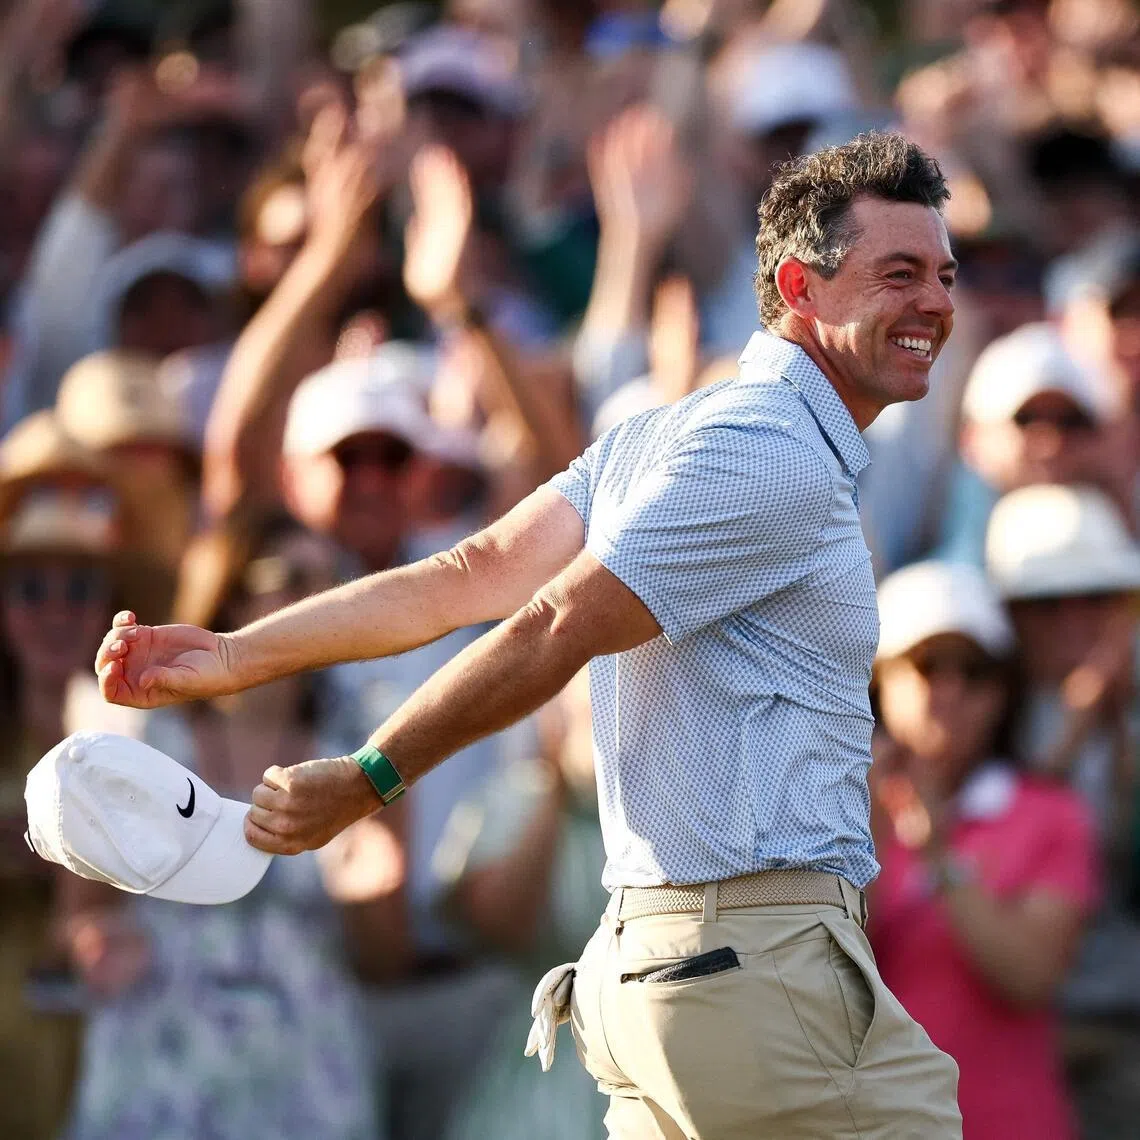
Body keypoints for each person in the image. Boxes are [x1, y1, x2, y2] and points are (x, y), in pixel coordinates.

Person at [95, 131, 963, 1137]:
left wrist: (242, 652)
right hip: (756, 975)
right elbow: (551, 622)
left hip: (668, 978)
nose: (934, 303)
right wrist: (371, 776)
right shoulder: (765, 451)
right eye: (899, 274)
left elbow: (460, 579)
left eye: (943, 274)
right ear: (801, 288)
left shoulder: (663, 435)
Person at [868, 560, 1098, 1139]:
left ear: (1004, 691)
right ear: (881, 681)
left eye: (974, 671)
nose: (949, 691)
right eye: (925, 666)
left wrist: (938, 853)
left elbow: (1027, 975)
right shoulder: (838, 815)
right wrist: (868, 824)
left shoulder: (1051, 812)